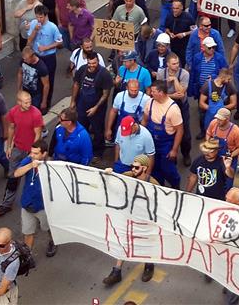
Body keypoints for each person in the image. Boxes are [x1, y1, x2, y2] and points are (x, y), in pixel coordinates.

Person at [102, 154, 158, 286]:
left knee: (145, 242)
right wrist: (108, 174)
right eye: (132, 166)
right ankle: (117, 271)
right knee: (124, 242)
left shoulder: (154, 184)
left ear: (144, 168)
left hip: (145, 219)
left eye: (136, 167)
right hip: (129, 216)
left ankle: (149, 265)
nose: (133, 169)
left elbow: (159, 203)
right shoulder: (127, 175)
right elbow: (115, 180)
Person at [0, 91, 43, 218]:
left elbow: (37, 135)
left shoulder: (36, 114)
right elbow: (11, 128)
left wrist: (32, 153)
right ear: (19, 102)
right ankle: (6, 204)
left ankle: (37, 204)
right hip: (17, 148)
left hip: (30, 151)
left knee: (33, 178)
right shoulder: (13, 112)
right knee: (12, 177)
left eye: (30, 101)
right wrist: (9, 146)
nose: (29, 104)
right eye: (26, 102)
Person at [12, 140, 57, 258]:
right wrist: (30, 165)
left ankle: (53, 241)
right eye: (31, 152)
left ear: (44, 154)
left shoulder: (51, 166)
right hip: (27, 204)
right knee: (28, 232)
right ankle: (28, 256)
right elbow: (16, 173)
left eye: (36, 153)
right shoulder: (29, 160)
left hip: (43, 206)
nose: (32, 155)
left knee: (48, 227)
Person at [69, 53, 112, 161]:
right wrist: (73, 101)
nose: (91, 65)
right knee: (81, 128)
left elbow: (105, 94)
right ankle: (82, 148)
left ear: (98, 62)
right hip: (82, 104)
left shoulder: (104, 74)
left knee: (98, 131)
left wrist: (96, 108)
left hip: (98, 108)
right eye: (89, 63)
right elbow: (76, 85)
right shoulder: (82, 70)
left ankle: (98, 153)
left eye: (94, 63)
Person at [142, 81, 184, 188]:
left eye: (153, 91)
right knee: (154, 169)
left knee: (168, 170)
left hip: (166, 145)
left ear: (161, 93)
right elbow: (145, 121)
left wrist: (174, 150)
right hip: (151, 143)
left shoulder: (173, 109)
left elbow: (180, 130)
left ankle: (176, 188)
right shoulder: (150, 102)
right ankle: (159, 188)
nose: (151, 94)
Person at [27, 5, 63, 106]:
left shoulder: (52, 27)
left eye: (41, 17)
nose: (39, 19)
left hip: (48, 57)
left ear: (46, 16)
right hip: (36, 56)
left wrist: (46, 48)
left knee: (48, 81)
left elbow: (59, 42)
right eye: (37, 17)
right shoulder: (34, 23)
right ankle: (35, 102)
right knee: (36, 80)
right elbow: (29, 40)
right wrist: (35, 30)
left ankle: (46, 103)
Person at [17, 47, 50, 112]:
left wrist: (44, 101)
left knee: (33, 112)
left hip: (36, 95)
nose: (24, 61)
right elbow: (20, 73)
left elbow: (46, 85)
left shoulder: (41, 68)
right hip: (25, 90)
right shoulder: (23, 61)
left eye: (26, 59)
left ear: (32, 56)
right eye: (24, 59)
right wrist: (19, 89)